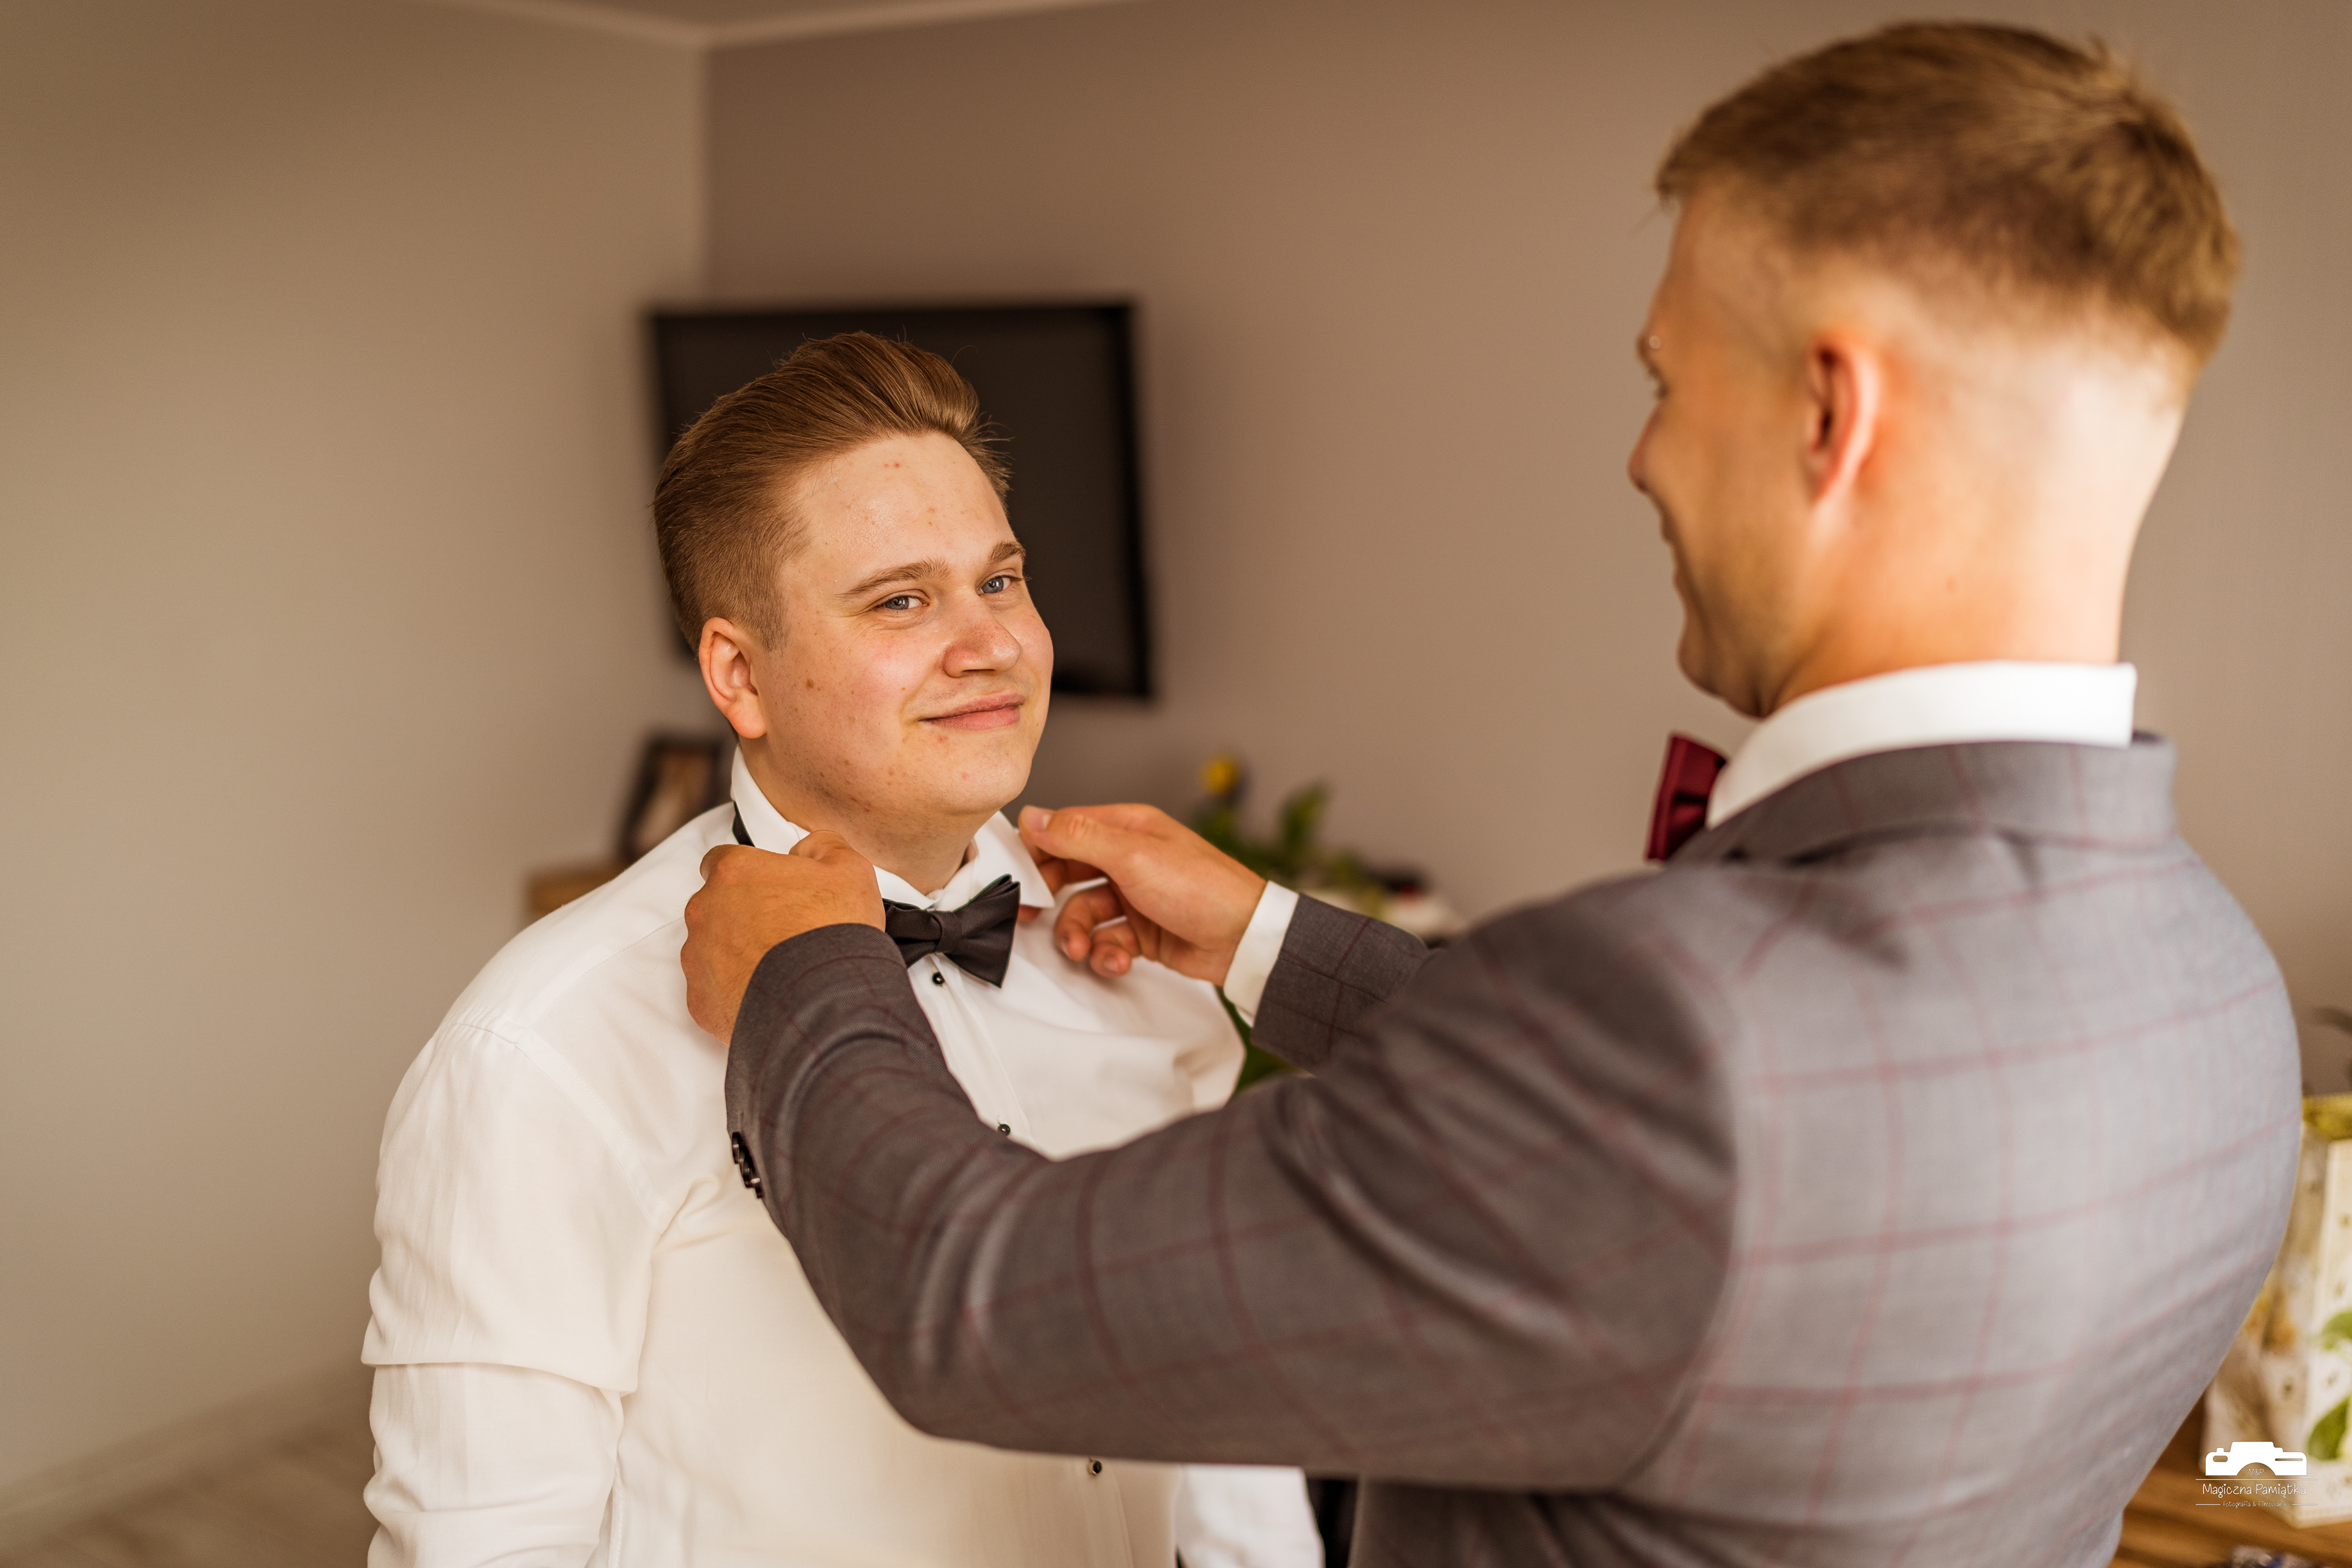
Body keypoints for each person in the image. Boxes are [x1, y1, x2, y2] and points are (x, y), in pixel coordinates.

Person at [678, 24, 2304, 1568]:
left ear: (1830, 413)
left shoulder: (1680, 1037)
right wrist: (1269, 937)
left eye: (1668, 383)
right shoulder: (2217, 993)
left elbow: (979, 1303)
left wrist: (810, 975)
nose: (1644, 459)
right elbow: (1689, 1175)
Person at [361, 333, 1322, 1567]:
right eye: (901, 600)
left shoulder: (1141, 956)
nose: (992, 643)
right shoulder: (542, 1051)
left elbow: (1218, 1402)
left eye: (1001, 579)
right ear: (740, 675)